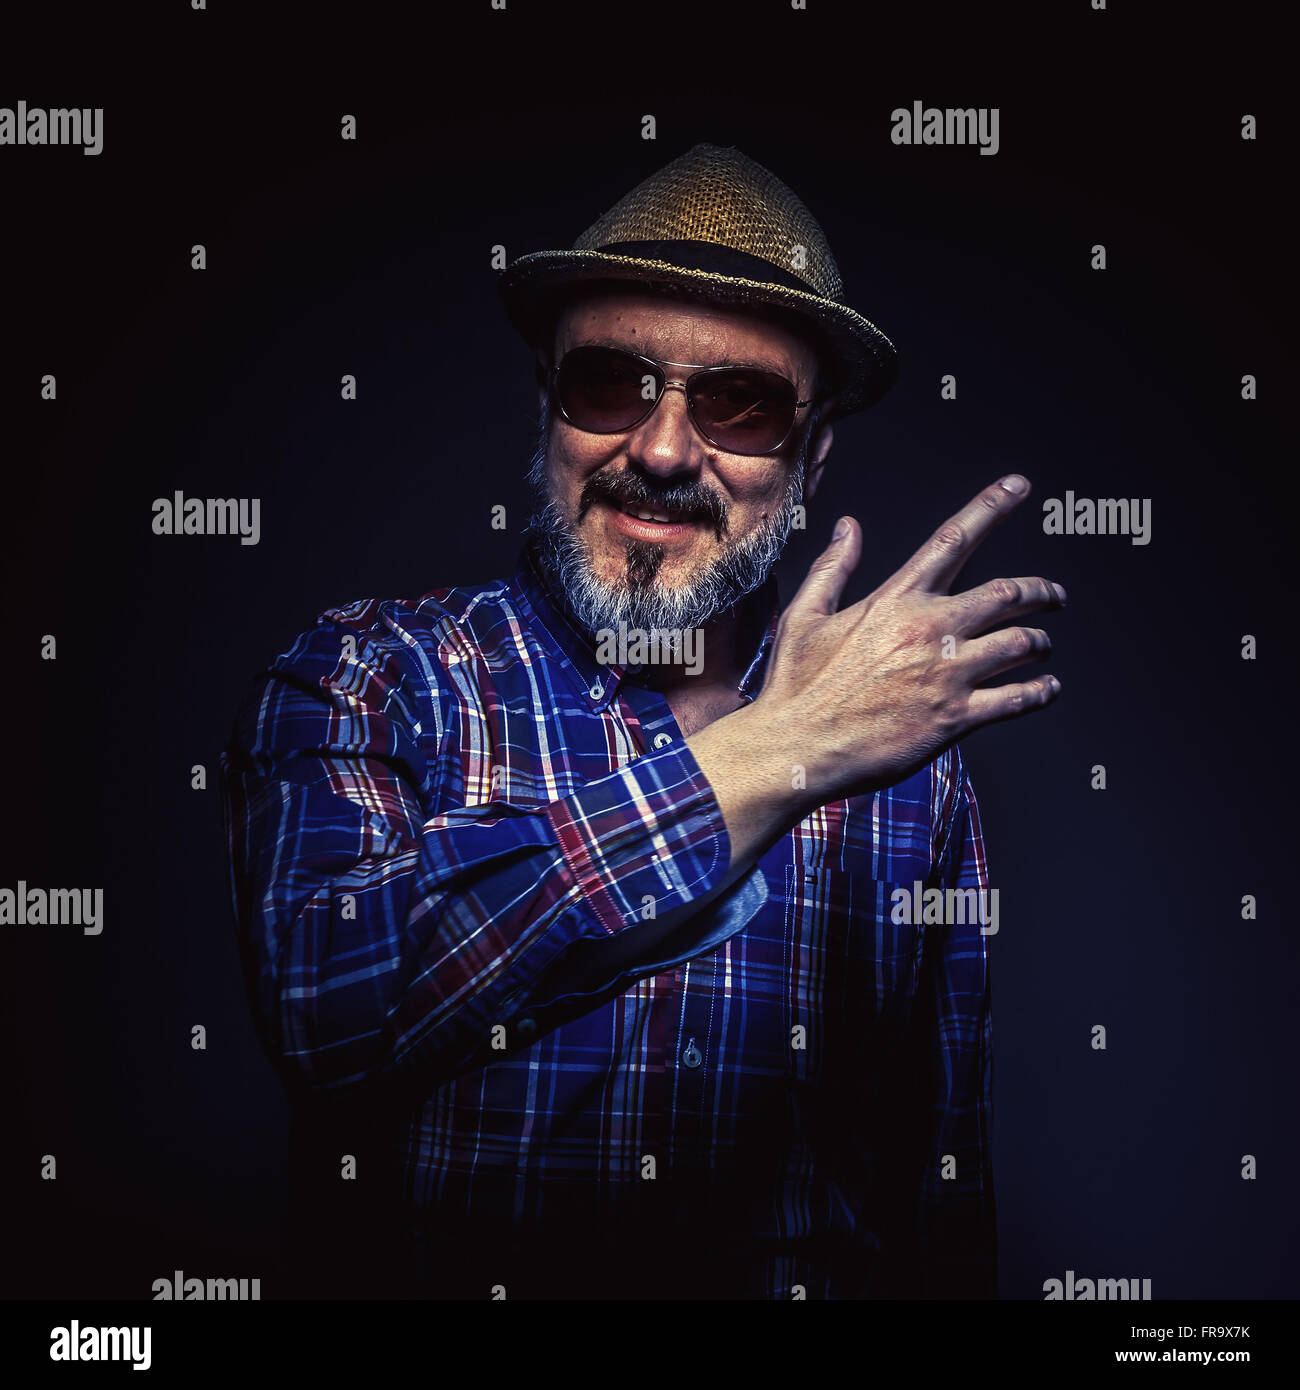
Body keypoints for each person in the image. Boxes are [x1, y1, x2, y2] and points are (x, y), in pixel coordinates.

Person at [220, 142, 1065, 1300]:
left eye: (741, 404)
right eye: (609, 383)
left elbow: (935, 1181)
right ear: (546, 407)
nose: (662, 451)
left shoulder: (914, 774)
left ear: (812, 454)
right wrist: (777, 753)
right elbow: (331, 1018)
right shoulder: (368, 676)